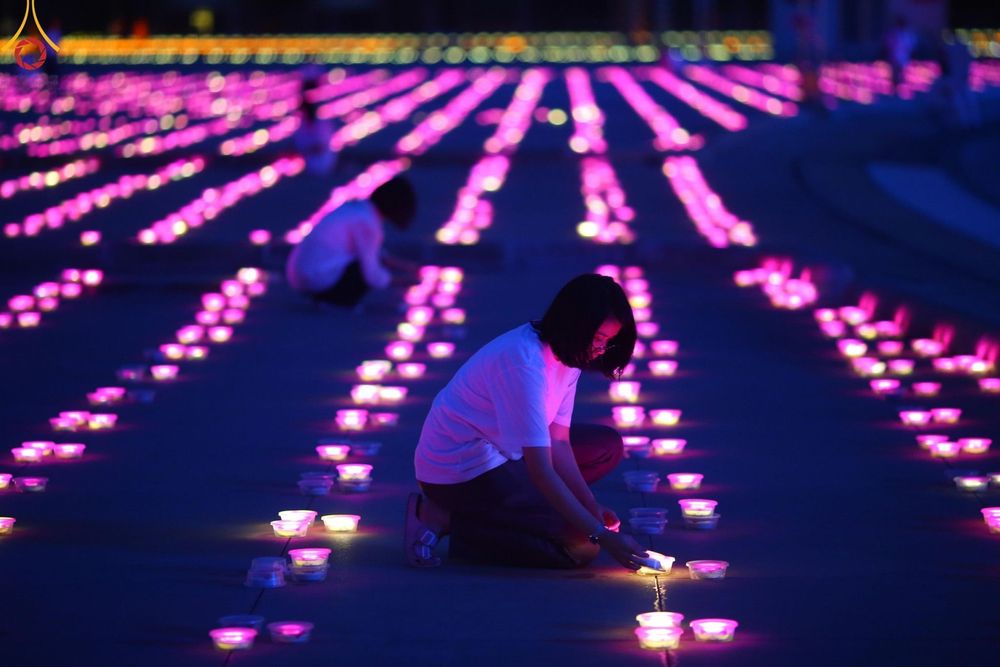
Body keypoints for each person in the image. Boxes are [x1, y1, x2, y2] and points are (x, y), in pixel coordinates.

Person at [406, 274, 650, 570]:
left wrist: (590, 506)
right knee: (581, 547)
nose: (601, 350)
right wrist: (600, 535)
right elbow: (541, 470)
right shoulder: (524, 362)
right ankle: (445, 519)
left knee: (606, 446)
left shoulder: (568, 356)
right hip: (461, 471)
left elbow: (557, 441)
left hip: (508, 453)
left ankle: (527, 514)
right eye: (599, 340)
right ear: (575, 326)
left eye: (608, 343)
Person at [285, 176, 417, 308]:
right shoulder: (366, 222)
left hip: (300, 275)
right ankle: (334, 301)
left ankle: (326, 298)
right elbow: (372, 275)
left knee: (360, 260)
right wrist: (407, 282)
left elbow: (376, 253)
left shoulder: (356, 209)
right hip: (315, 278)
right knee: (360, 271)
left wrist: (408, 267)